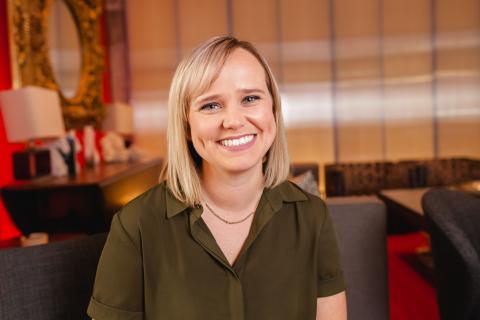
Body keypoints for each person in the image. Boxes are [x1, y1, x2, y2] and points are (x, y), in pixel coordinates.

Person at [87, 36, 347, 320]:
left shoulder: (312, 215)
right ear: (185, 125)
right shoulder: (135, 225)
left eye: (250, 98)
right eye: (211, 105)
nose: (233, 121)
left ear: (273, 109)